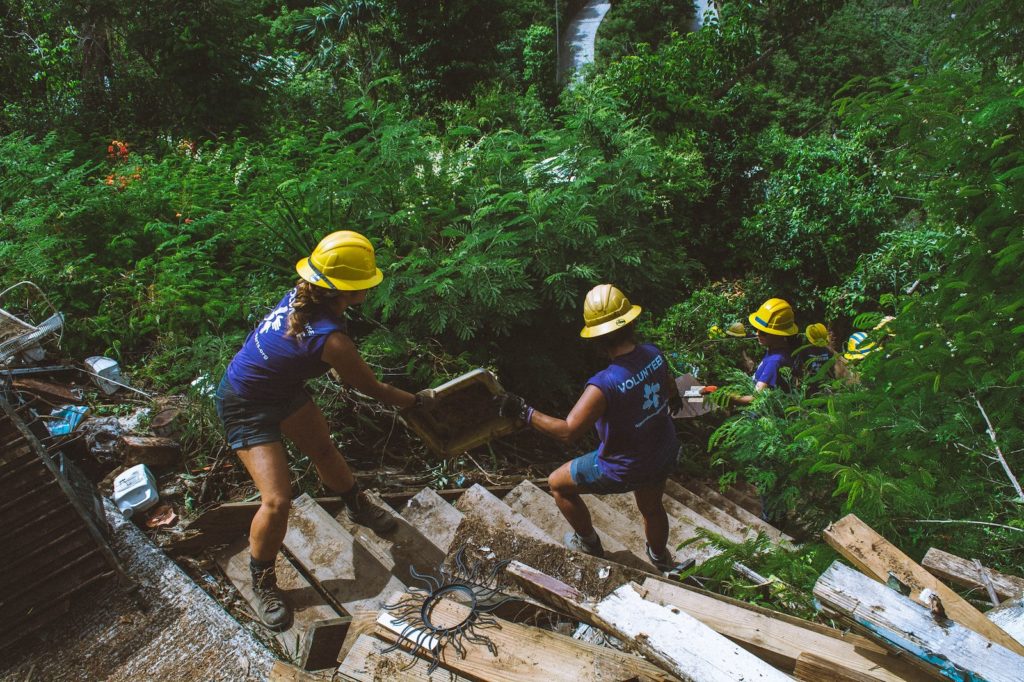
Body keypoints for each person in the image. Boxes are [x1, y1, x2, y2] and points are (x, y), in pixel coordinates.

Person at [215, 230, 435, 630]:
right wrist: (417, 401)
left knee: (325, 451)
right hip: (245, 403)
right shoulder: (333, 342)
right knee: (277, 502)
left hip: (280, 391)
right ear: (351, 291)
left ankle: (356, 505)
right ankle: (262, 580)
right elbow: (373, 389)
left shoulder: (304, 294)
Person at [498, 284, 680, 572]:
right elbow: (668, 384)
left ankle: (589, 543)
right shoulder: (653, 354)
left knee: (557, 484)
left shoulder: (604, 384)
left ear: (597, 339)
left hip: (624, 466)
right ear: (631, 322)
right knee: (652, 507)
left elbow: (568, 431)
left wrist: (525, 411)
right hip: (662, 450)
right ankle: (659, 557)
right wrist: (674, 397)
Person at [733, 298, 798, 405]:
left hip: (761, 417)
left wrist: (728, 398)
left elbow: (756, 398)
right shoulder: (779, 350)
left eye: (763, 332)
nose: (757, 334)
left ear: (779, 333)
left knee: (696, 396)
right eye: (757, 329)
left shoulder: (775, 361)